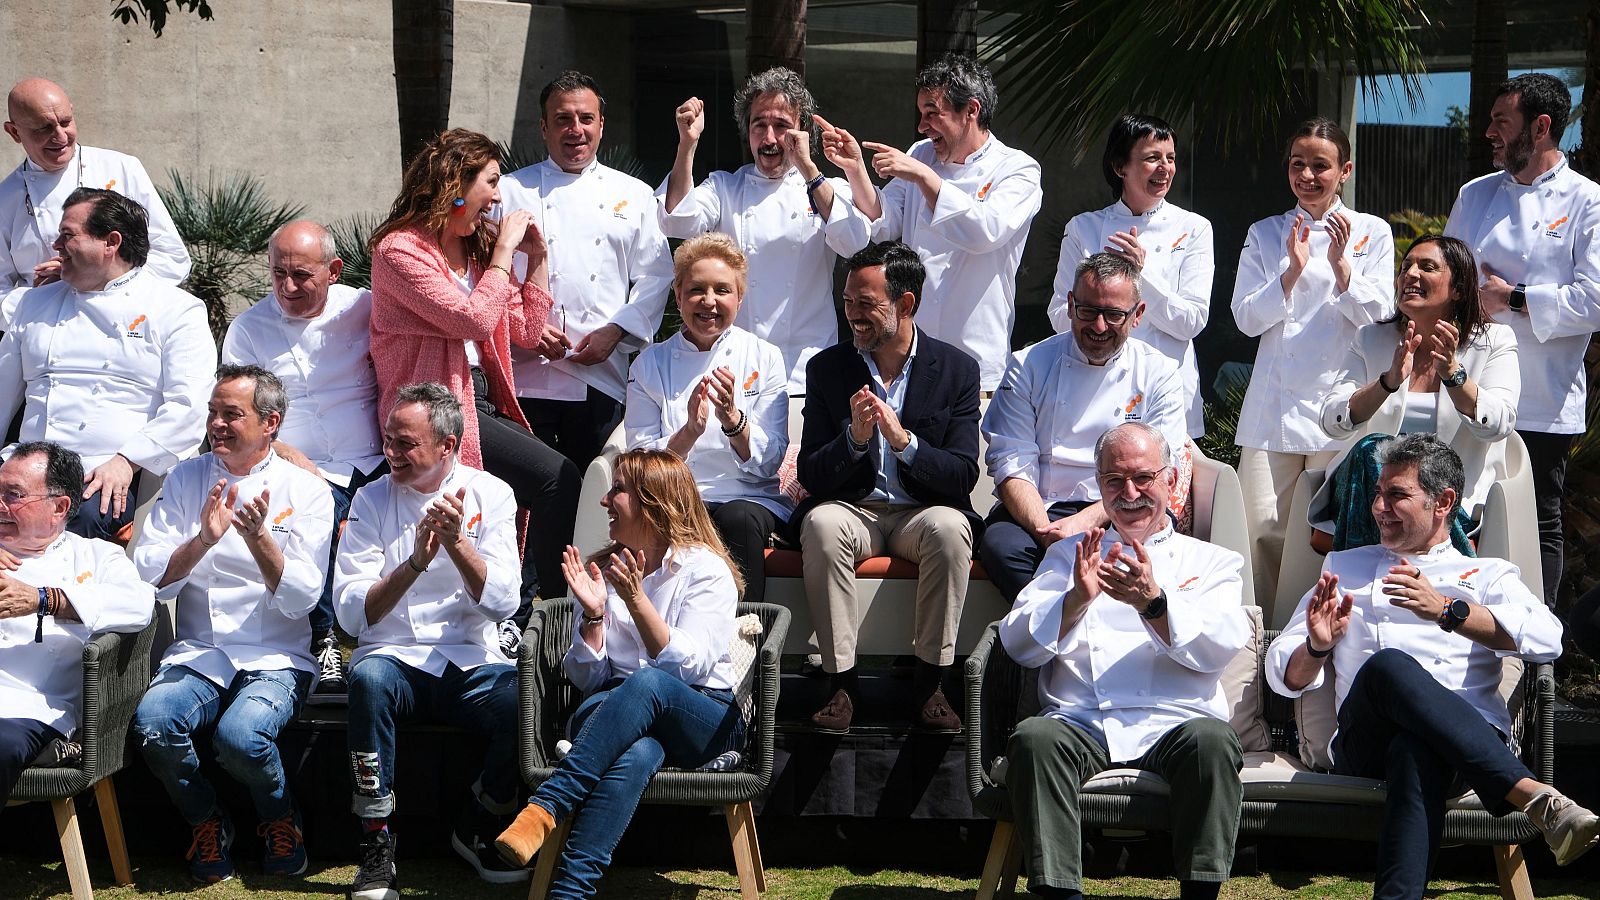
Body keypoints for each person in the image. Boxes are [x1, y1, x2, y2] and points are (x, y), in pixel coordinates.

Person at [1267, 434, 1599, 898]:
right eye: (1377, 493)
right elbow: (1284, 677)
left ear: (1443, 502)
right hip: (1365, 747)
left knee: (1415, 748)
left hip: (1462, 753)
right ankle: (1533, 796)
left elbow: (1547, 641)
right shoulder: (1345, 567)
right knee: (1386, 668)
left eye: (1396, 494)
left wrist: (1448, 611)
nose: (1378, 506)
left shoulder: (1487, 574)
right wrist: (1318, 648)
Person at [999, 423, 1251, 900]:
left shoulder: (1215, 561)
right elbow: (1016, 643)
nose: (1129, 493)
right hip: (1081, 723)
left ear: (1171, 480)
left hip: (1177, 723)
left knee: (1214, 742)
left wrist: (1154, 603)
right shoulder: (1066, 556)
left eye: (1142, 478)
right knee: (1035, 738)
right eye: (1114, 480)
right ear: (1099, 486)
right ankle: (1059, 894)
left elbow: (1221, 645)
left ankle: (1200, 894)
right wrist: (1074, 601)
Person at [493, 449, 746, 896]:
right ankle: (571, 890)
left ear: (653, 502)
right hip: (614, 710)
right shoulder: (604, 570)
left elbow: (689, 668)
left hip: (701, 716)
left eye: (617, 490)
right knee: (640, 751)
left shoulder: (706, 571)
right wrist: (592, 616)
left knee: (649, 681)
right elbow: (587, 680)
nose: (605, 501)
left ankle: (547, 805)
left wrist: (636, 602)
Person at [131, 367, 336, 883]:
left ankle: (279, 818)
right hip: (201, 649)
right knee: (155, 726)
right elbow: (150, 576)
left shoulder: (308, 492)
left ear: (271, 422)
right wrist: (202, 538)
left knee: (242, 740)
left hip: (276, 654)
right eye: (212, 412)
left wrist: (258, 538)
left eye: (231, 414)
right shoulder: (186, 477)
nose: (216, 424)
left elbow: (302, 599)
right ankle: (206, 820)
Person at [368, 127, 580, 623]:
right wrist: (505, 254)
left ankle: (524, 613)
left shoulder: (479, 251)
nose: (498, 196)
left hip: (479, 399)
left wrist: (538, 259)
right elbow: (473, 319)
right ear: (455, 184)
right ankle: (532, 616)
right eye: (490, 180)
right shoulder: (399, 251)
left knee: (542, 487)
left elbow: (525, 329)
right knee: (555, 479)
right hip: (434, 407)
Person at [337, 383, 527, 895]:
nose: (390, 453)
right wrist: (416, 562)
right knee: (368, 680)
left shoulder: (493, 494)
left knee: (521, 702)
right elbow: (353, 615)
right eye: (388, 440)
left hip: (471, 658)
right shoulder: (371, 499)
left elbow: (504, 601)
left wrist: (456, 542)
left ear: (448, 445)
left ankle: (480, 819)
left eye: (405, 444)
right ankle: (376, 840)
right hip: (394, 656)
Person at [796, 241, 981, 734]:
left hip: (920, 513)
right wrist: (854, 441)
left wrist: (904, 444)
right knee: (820, 523)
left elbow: (963, 474)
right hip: (854, 510)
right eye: (848, 302)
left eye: (866, 304)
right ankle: (841, 685)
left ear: (905, 304)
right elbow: (812, 475)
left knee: (950, 528)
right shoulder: (828, 368)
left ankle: (930, 686)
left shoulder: (957, 370)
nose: (853, 315)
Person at [1444, 73, 1600, 606]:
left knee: (1538, 523)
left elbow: (1595, 299)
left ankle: (1539, 657)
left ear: (1540, 128)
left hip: (1541, 397)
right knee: (1460, 514)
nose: (1488, 131)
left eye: (1500, 121)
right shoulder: (1474, 195)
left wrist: (1513, 299)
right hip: (1468, 390)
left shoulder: (1587, 201)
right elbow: (1447, 277)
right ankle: (1466, 641)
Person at [1231, 117, 1395, 604]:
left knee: (1327, 535)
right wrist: (1291, 273)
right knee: (1260, 531)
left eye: (1319, 166)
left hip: (1341, 403)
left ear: (1344, 170)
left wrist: (1343, 267)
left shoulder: (1373, 232)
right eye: (1297, 165)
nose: (1307, 175)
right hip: (1273, 409)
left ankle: (1316, 633)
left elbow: (1381, 312)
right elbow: (1244, 318)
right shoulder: (1265, 233)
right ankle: (1257, 636)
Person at [223, 220, 385, 697]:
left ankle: (385, 642)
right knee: (313, 518)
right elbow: (239, 408)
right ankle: (325, 639)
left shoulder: (364, 306)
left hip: (375, 455)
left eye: (301, 275)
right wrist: (282, 451)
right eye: (278, 274)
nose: (287, 287)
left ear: (333, 270)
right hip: (297, 462)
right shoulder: (249, 327)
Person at [0, 187, 215, 541]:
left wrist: (127, 460)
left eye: (67, 235)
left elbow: (188, 407)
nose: (55, 246)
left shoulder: (175, 310)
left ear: (110, 242)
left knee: (81, 519)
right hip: (25, 466)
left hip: (104, 470)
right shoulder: (32, 304)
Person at [821, 53, 1042, 390]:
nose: (922, 126)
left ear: (971, 110)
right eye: (921, 114)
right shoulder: (920, 154)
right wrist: (855, 169)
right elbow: (885, 219)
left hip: (976, 351)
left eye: (932, 114)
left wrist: (924, 176)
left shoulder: (1018, 169)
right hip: (911, 349)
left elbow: (985, 231)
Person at [981, 252, 1187, 603]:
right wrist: (1044, 529)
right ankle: (1065, 631)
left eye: (1114, 315)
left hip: (1125, 507)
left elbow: (1159, 470)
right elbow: (1010, 460)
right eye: (1089, 311)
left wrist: (1084, 523)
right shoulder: (1028, 365)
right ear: (1071, 305)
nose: (1099, 326)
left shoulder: (1159, 373)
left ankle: (1067, 635)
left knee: (1126, 554)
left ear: (1137, 316)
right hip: (1041, 508)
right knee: (1000, 546)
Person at [501, 71, 674, 470]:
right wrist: (520, 326)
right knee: (530, 496)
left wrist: (614, 333)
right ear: (544, 126)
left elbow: (656, 275)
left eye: (585, 118)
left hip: (599, 375)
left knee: (595, 493)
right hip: (523, 375)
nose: (575, 130)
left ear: (601, 125)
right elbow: (484, 275)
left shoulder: (633, 194)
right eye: (563, 119)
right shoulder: (509, 191)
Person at [659, 67, 870, 392]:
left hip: (808, 369)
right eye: (760, 126)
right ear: (748, 132)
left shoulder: (828, 188)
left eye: (782, 126)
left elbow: (855, 242)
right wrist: (687, 144)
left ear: (802, 132)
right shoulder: (724, 187)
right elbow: (677, 220)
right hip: (736, 369)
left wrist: (810, 170)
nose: (770, 138)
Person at [1315, 235, 1518, 549]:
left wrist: (1453, 375)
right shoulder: (1370, 338)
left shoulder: (1494, 341)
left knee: (1417, 490)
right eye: (1405, 266)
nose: (1410, 274)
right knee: (1376, 448)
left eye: (1427, 267)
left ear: (1458, 288)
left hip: (1446, 497)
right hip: (1365, 490)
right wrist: (1387, 383)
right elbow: (1332, 421)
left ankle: (1370, 578)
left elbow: (1499, 425)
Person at [624, 234, 790, 604]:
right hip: (674, 498)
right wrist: (688, 433)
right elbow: (637, 465)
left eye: (722, 290)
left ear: (740, 297)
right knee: (663, 519)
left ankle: (745, 638)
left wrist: (733, 420)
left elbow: (769, 463)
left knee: (738, 519)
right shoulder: (650, 364)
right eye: (697, 290)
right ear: (678, 293)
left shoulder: (765, 357)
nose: (709, 302)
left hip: (747, 498)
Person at [0, 441, 153, 805]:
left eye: (13, 495)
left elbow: (140, 606)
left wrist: (46, 600)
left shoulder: (96, 557)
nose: (0, 504)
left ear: (60, 507)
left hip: (29, 709)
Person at [1046, 114, 1213, 437]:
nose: (1164, 168)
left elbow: (1192, 321)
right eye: (1152, 158)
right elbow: (1058, 314)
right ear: (1120, 167)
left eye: (1171, 158)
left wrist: (1142, 273)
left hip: (1167, 393)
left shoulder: (1194, 228)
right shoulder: (1084, 228)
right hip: (1094, 390)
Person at [0, 78, 190, 314]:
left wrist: (97, 281)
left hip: (124, 322)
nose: (60, 136)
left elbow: (172, 257)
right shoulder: (4, 199)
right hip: (48, 329)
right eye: (43, 128)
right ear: (14, 132)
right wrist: (43, 296)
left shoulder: (121, 168)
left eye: (66, 122)